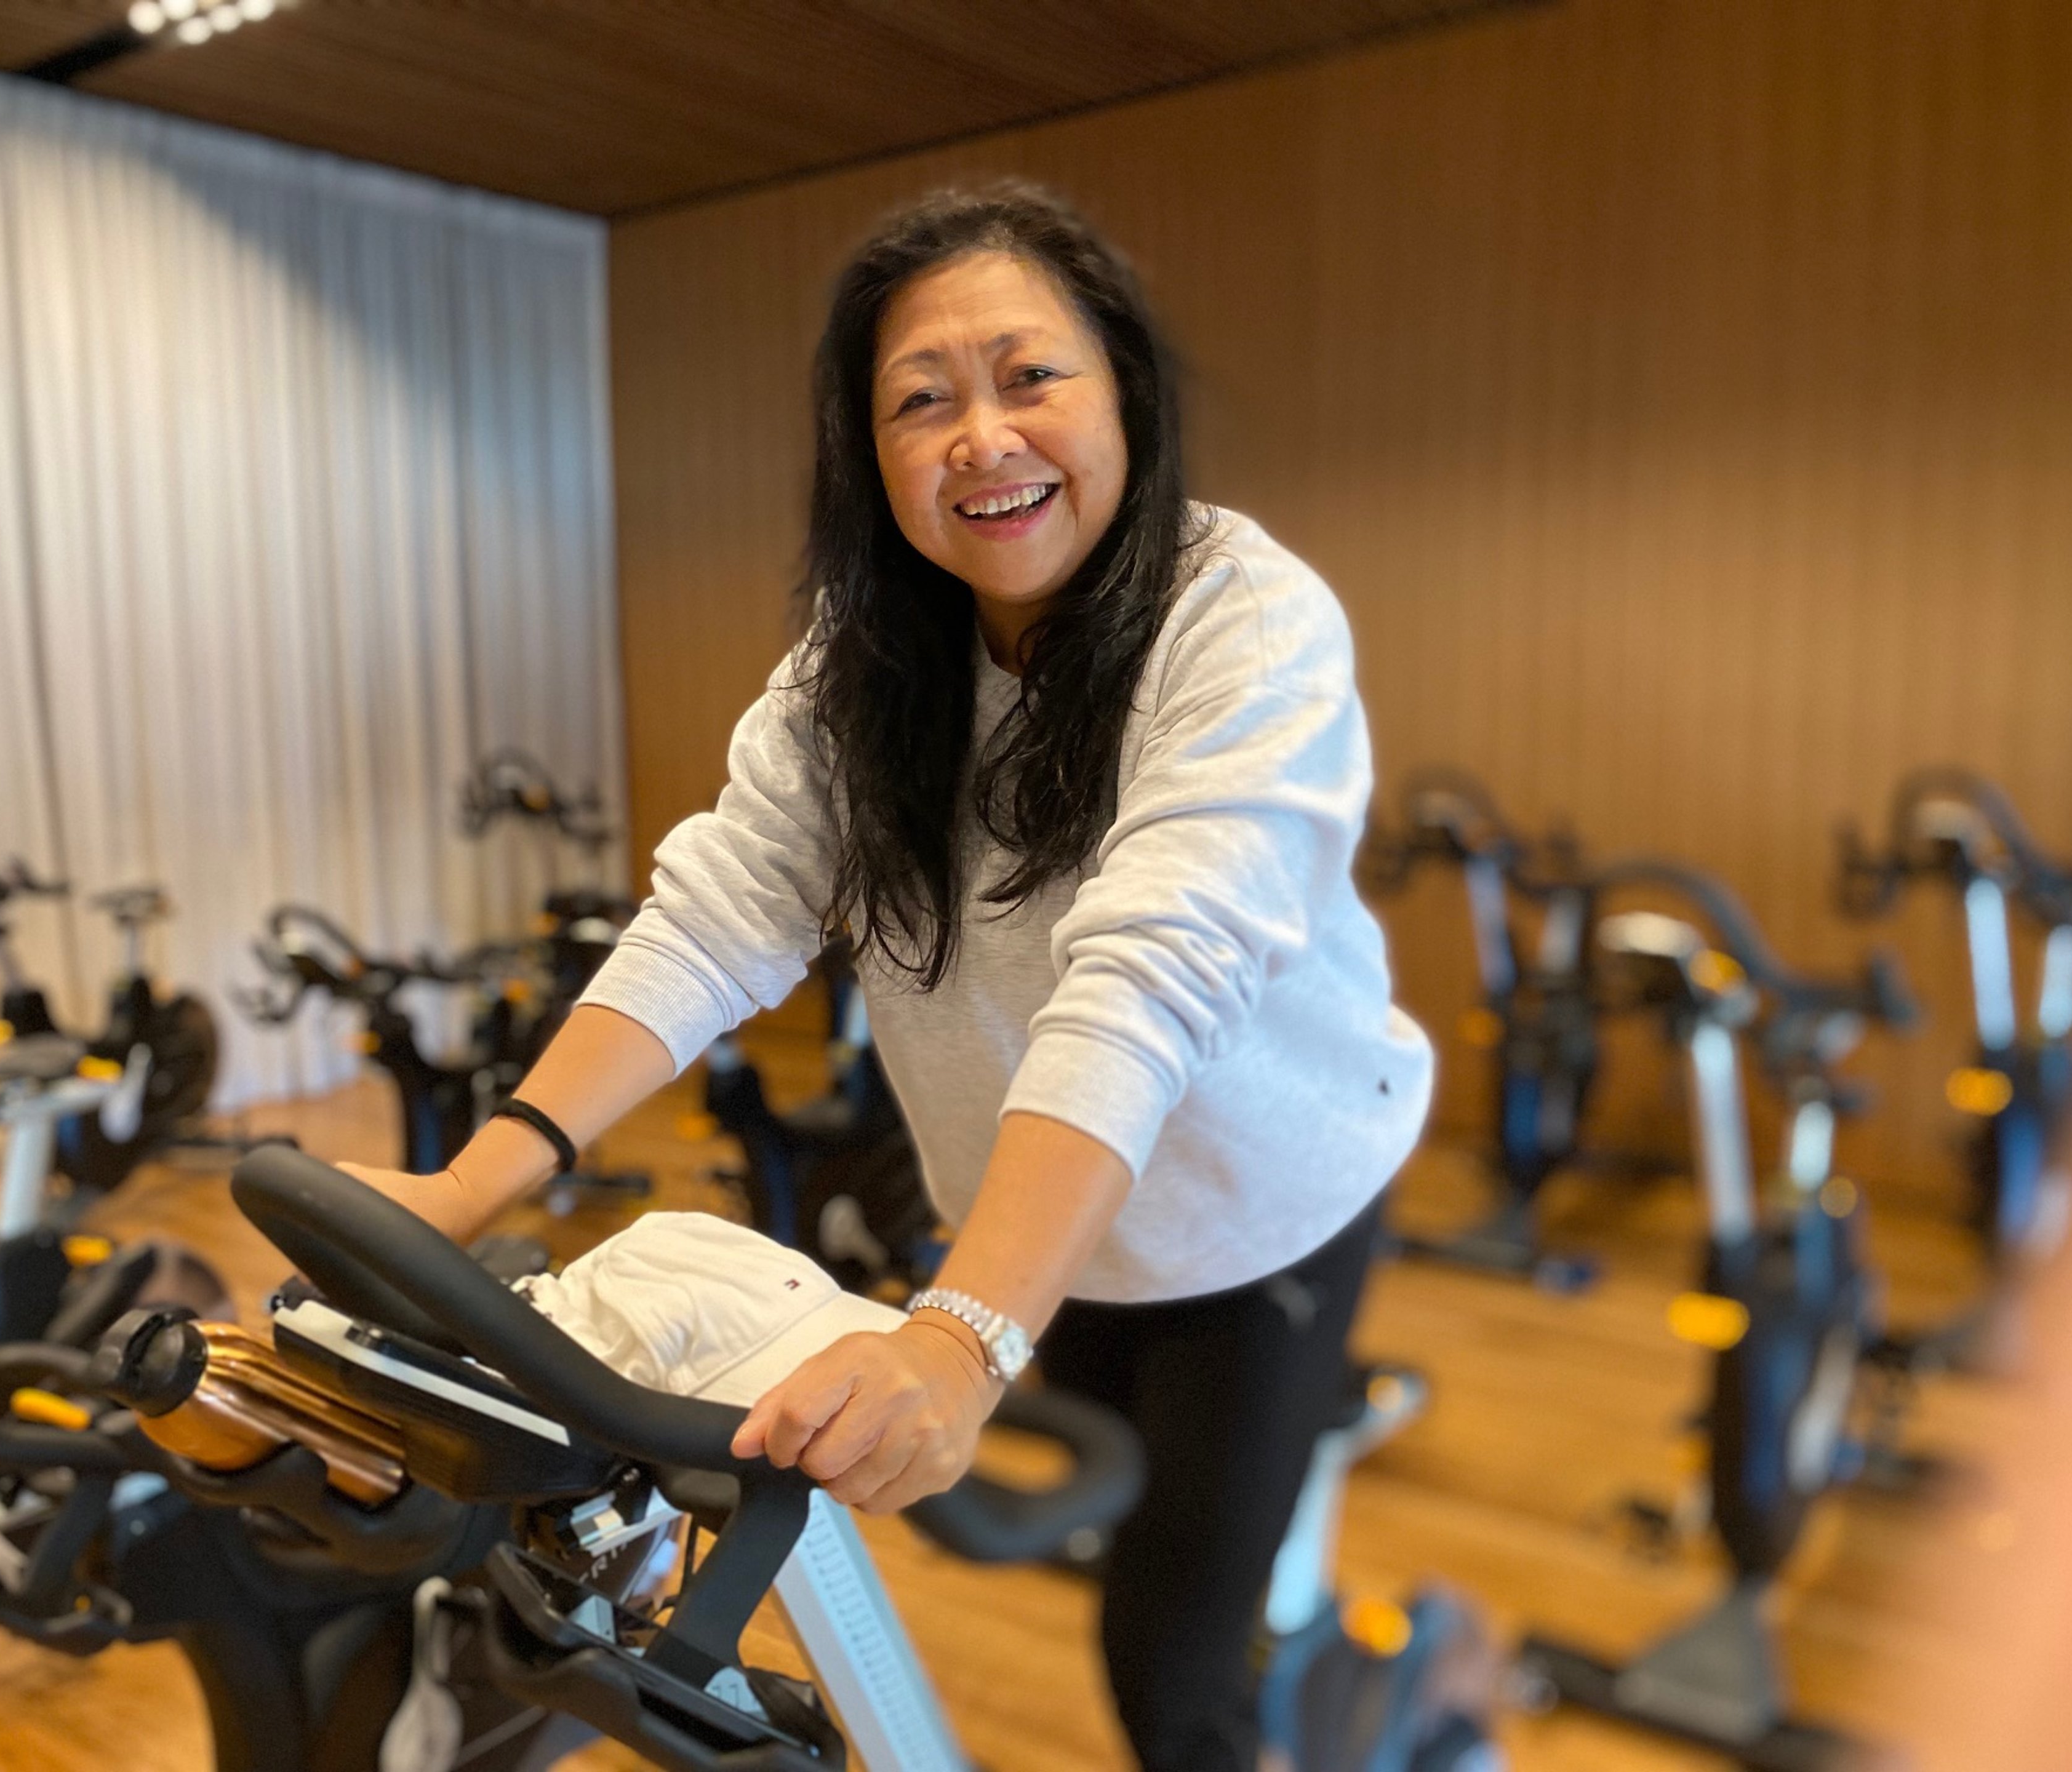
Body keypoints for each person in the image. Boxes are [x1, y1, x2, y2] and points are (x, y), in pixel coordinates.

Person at [342, 182, 1433, 1772]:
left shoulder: (1243, 624)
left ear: (1122, 389)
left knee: (1167, 1665)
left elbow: (1147, 978)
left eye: (1029, 377)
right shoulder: (861, 670)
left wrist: (959, 1341)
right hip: (1063, 1224)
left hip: (1259, 1212)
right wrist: (474, 1182)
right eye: (923, 401)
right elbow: (720, 915)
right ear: (876, 457)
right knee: (1108, 1520)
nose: (980, 436)